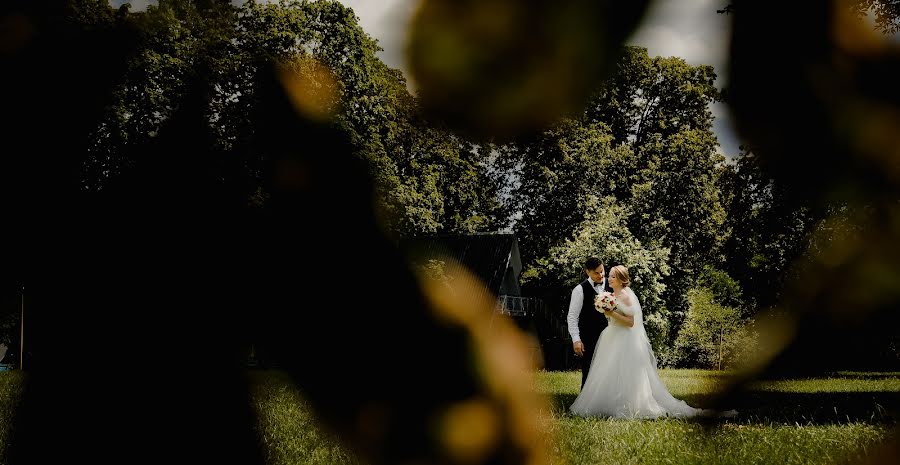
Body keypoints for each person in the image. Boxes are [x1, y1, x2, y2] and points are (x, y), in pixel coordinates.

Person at [570, 265, 736, 419]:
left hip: (623, 338)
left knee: (625, 372)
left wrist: (610, 313)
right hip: (612, 336)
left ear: (621, 280)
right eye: (610, 276)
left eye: (613, 277)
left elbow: (630, 322)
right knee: (609, 371)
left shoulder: (626, 296)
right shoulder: (613, 295)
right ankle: (607, 403)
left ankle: (629, 404)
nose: (609, 279)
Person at [566, 256, 611, 389]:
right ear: (588, 272)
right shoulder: (579, 290)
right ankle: (586, 405)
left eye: (602, 271)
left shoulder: (613, 285)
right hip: (589, 336)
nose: (601, 275)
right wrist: (576, 340)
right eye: (596, 273)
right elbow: (572, 317)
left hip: (612, 335)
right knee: (589, 371)